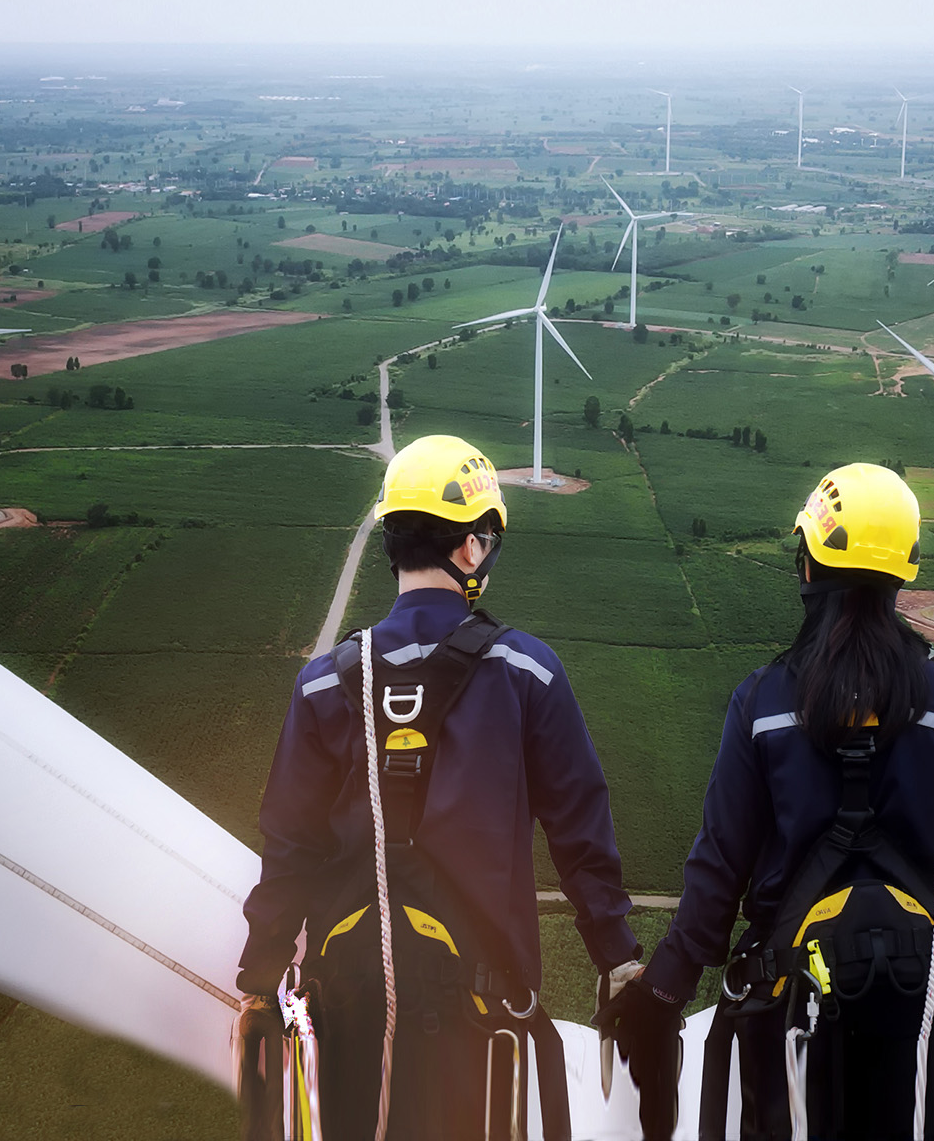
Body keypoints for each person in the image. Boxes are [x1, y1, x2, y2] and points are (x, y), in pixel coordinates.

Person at [602, 462, 934, 1140]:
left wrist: (664, 988)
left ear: (808, 566)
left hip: (788, 1022)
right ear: (904, 572)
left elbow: (720, 863)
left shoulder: (765, 702)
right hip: (927, 1019)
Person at [235, 433, 642, 1141]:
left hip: (350, 1005)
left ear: (392, 539)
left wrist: (260, 975)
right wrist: (616, 958)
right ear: (473, 548)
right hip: (486, 1013)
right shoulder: (528, 673)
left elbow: (290, 843)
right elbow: (579, 829)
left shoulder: (326, 681)